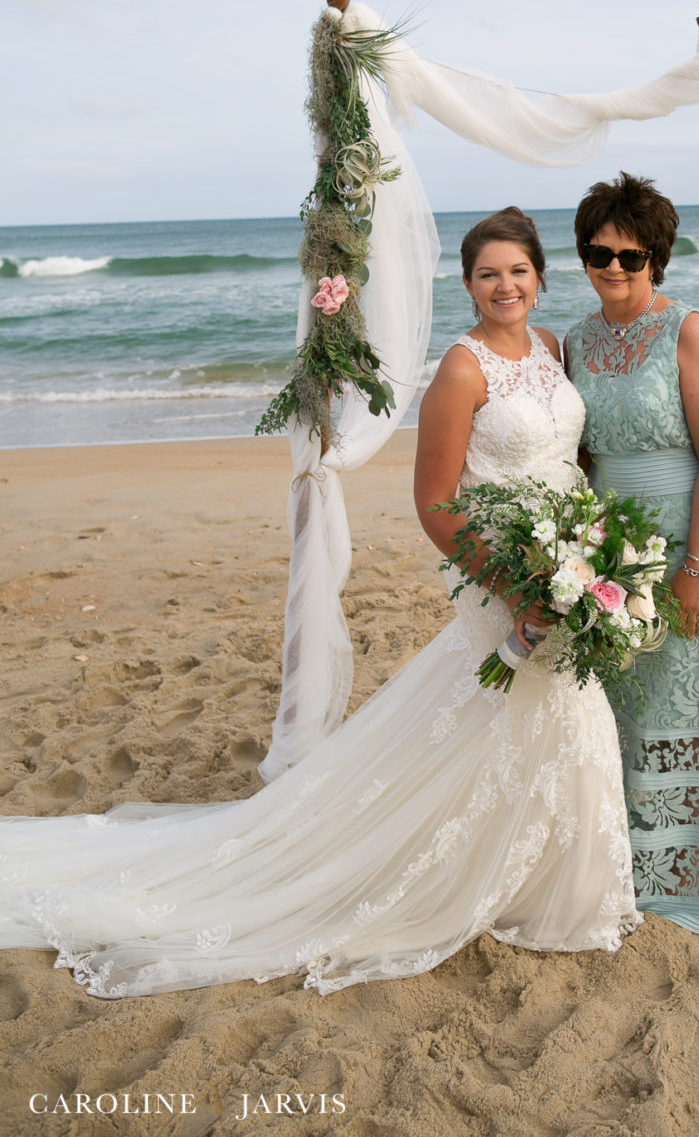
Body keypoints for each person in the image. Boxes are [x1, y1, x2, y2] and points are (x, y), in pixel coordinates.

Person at [0, 209, 639, 997]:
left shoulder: (552, 349)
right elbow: (436, 502)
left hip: (565, 564)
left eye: (517, 270)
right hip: (500, 572)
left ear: (540, 277)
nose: (504, 285)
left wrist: (589, 550)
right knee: (531, 707)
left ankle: (545, 884)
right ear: (468, 285)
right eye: (487, 273)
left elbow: (567, 457)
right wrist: (513, 583)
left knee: (557, 711)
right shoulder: (462, 370)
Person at [564, 173, 699, 934]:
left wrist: (696, 568)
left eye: (629, 255)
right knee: (622, 709)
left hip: (685, 545)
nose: (612, 267)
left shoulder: (687, 331)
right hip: (611, 552)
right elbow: (575, 457)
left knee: (687, 702)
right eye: (598, 252)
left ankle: (688, 872)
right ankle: (624, 864)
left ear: (655, 256)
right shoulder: (575, 338)